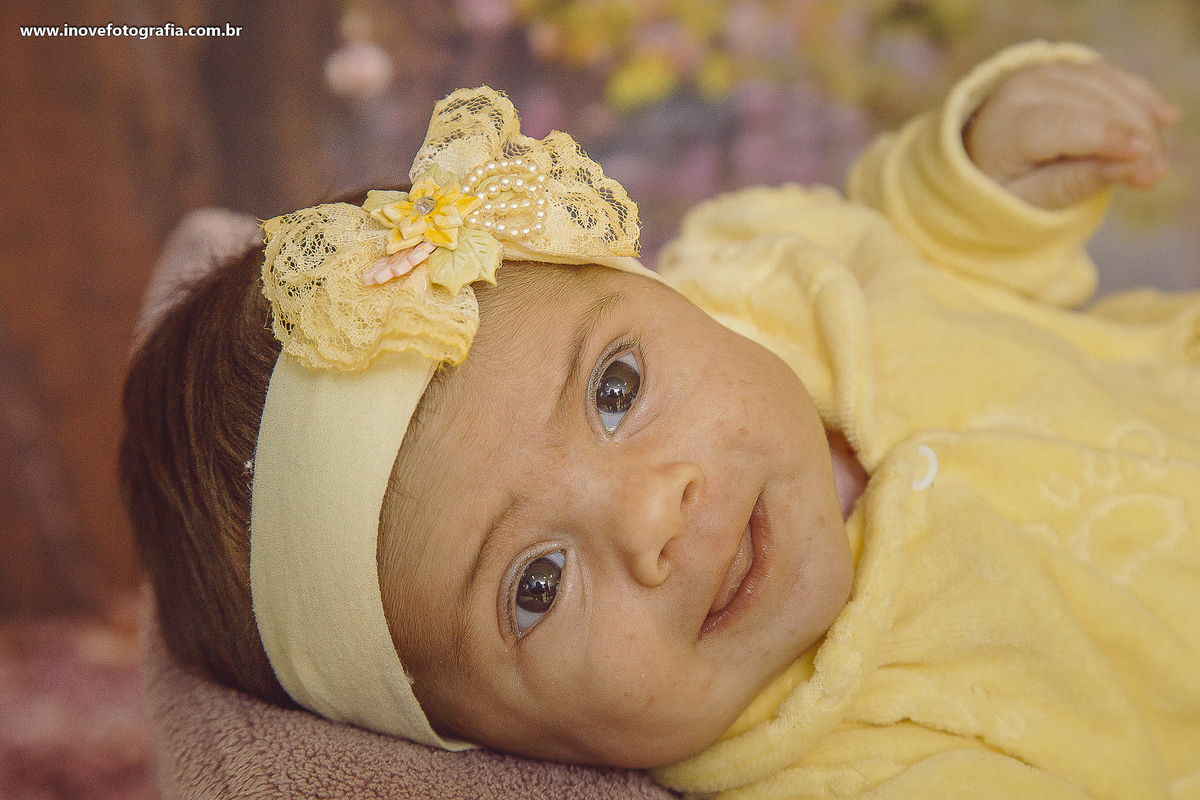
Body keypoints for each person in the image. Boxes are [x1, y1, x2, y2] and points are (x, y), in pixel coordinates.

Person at [120, 39, 1200, 798]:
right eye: (535, 585)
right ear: (484, 743)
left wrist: (986, 176)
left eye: (615, 390)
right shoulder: (847, 762)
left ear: (652, 288)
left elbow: (916, 244)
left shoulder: (770, 293)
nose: (650, 514)